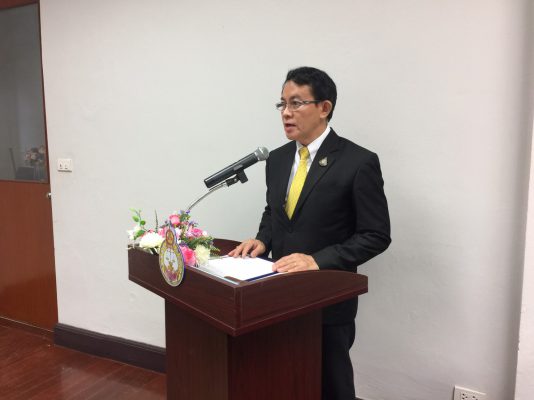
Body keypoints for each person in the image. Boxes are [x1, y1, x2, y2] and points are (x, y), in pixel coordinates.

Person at [229, 66, 391, 400]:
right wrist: (263, 239)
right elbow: (274, 213)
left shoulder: (358, 161)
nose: (286, 113)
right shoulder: (277, 159)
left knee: (331, 386)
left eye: (296, 103)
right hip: (278, 294)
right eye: (282, 104)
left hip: (327, 299)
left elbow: (375, 234)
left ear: (324, 108)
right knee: (284, 379)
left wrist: (317, 261)